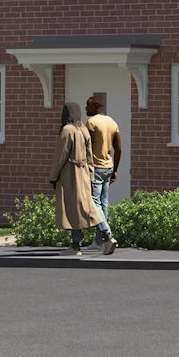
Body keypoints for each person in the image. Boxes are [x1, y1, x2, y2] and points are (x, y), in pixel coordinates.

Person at [48, 101, 101, 255]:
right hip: (84, 173)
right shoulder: (83, 129)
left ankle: (80, 244)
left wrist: (53, 176)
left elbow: (60, 156)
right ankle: (103, 236)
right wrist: (91, 175)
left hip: (70, 174)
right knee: (86, 207)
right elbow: (90, 156)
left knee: (74, 210)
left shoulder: (67, 130)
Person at [85, 96, 121, 255]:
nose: (86, 110)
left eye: (88, 106)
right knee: (103, 202)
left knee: (94, 202)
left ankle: (107, 235)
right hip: (108, 166)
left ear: (94, 106)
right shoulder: (112, 122)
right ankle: (99, 241)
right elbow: (118, 149)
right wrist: (115, 170)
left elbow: (86, 148)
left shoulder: (91, 123)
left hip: (96, 168)